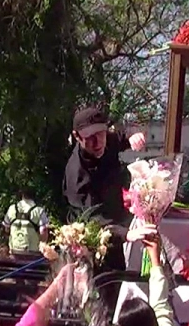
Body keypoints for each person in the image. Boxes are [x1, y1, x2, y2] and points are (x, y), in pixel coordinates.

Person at [63, 106, 146, 271]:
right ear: (77, 136)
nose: (97, 142)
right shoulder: (76, 175)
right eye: (89, 137)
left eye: (101, 133)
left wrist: (133, 136)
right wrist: (125, 234)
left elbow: (122, 136)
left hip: (117, 221)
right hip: (90, 243)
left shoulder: (107, 140)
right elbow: (92, 219)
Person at [1, 190, 49, 255]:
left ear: (22, 195)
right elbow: (43, 230)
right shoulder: (39, 211)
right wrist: (43, 244)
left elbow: (6, 229)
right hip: (32, 252)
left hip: (14, 251)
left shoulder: (12, 208)